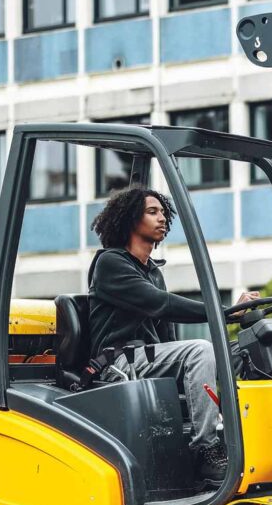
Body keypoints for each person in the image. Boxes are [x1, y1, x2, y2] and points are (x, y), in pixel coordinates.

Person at [88, 186, 261, 484]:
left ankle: (242, 442)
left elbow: (166, 333)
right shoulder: (111, 263)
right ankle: (205, 450)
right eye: (152, 212)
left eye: (164, 213)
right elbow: (161, 305)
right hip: (120, 362)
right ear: (130, 219)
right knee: (199, 350)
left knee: (240, 353)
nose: (162, 219)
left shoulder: (153, 272)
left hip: (150, 358)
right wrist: (226, 311)